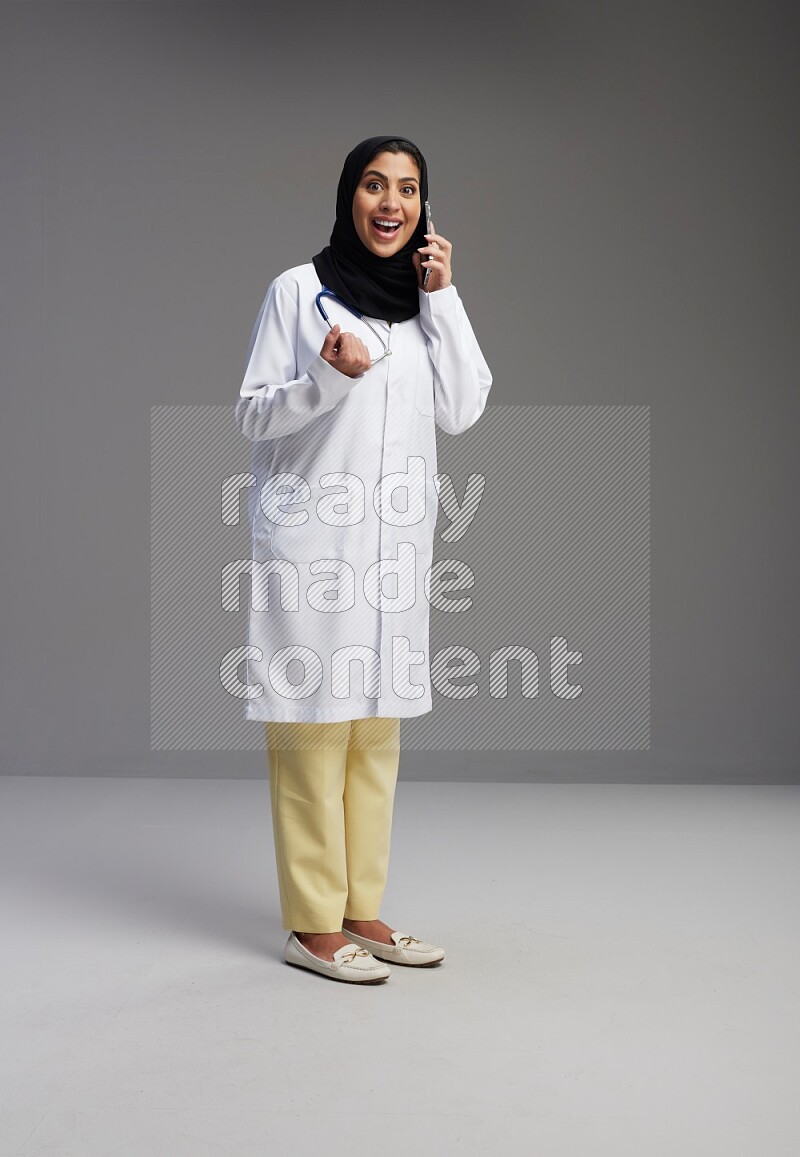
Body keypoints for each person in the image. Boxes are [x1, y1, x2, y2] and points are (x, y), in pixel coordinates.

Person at [235, 135, 492, 983]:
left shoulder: (424, 307)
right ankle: (311, 925)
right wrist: (326, 378)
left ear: (424, 208)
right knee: (313, 732)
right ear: (349, 196)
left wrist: (444, 299)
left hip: (392, 554)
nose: (393, 202)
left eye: (409, 189)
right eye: (376, 185)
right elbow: (254, 416)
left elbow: (464, 408)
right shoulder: (298, 293)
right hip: (313, 549)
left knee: (375, 732)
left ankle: (362, 909)